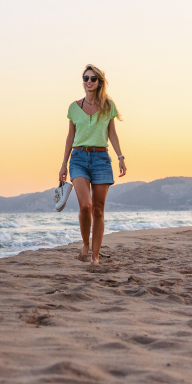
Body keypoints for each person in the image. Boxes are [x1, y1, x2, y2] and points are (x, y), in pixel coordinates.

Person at [59, 64, 126, 265]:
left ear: (99, 82)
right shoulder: (73, 107)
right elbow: (70, 136)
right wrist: (63, 164)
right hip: (78, 159)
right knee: (86, 205)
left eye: (93, 79)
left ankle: (95, 257)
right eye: (85, 78)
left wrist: (120, 157)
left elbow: (112, 134)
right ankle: (85, 244)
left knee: (98, 209)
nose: (89, 81)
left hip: (101, 160)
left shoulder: (108, 106)